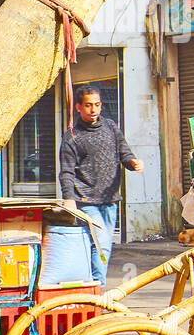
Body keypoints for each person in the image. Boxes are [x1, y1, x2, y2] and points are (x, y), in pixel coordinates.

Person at [59, 85, 142, 289]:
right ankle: (98, 287)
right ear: (78, 107)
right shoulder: (72, 136)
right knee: (101, 244)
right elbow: (67, 171)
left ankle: (90, 285)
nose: (93, 109)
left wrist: (132, 163)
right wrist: (69, 197)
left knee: (99, 245)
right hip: (86, 200)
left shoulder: (111, 127)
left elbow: (124, 153)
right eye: (88, 105)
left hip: (110, 200)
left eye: (97, 105)